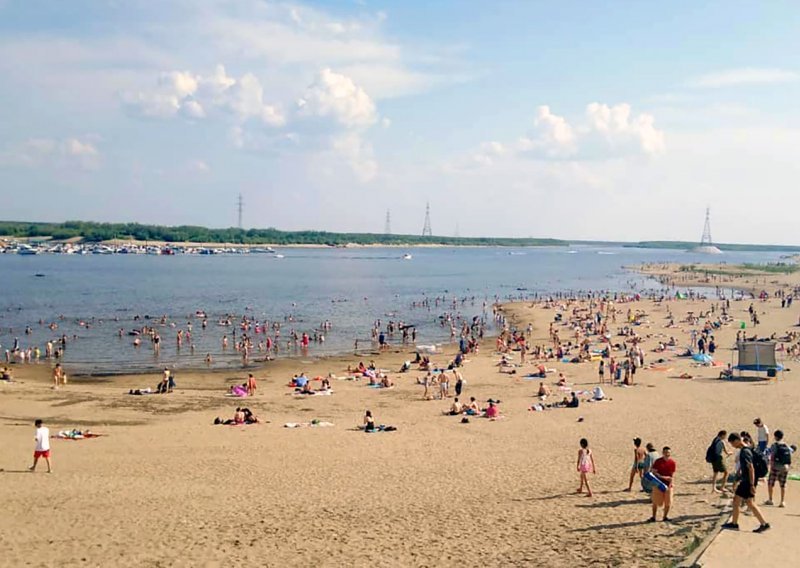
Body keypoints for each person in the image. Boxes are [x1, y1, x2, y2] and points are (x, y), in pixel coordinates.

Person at [723, 432, 770, 532]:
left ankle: (736, 524)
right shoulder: (748, 449)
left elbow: (751, 468)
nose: (732, 446)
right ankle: (762, 524)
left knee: (743, 501)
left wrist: (752, 485)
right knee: (744, 501)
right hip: (747, 480)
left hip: (748, 481)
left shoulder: (745, 452)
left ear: (736, 441)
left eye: (732, 443)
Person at [648, 446, 676, 522]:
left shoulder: (672, 463)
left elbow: (672, 474)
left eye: (669, 453)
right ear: (663, 453)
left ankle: (665, 517)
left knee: (668, 502)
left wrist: (671, 482)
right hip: (658, 484)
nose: (667, 454)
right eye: (666, 452)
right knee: (655, 502)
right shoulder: (658, 462)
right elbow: (653, 472)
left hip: (668, 485)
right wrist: (662, 477)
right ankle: (653, 517)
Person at [766, 429, 792, 508]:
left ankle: (770, 499)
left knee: (770, 483)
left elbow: (772, 456)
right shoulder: (786, 445)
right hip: (785, 467)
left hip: (776, 467)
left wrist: (771, 465)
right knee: (783, 485)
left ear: (775, 437)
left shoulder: (775, 445)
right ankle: (782, 501)